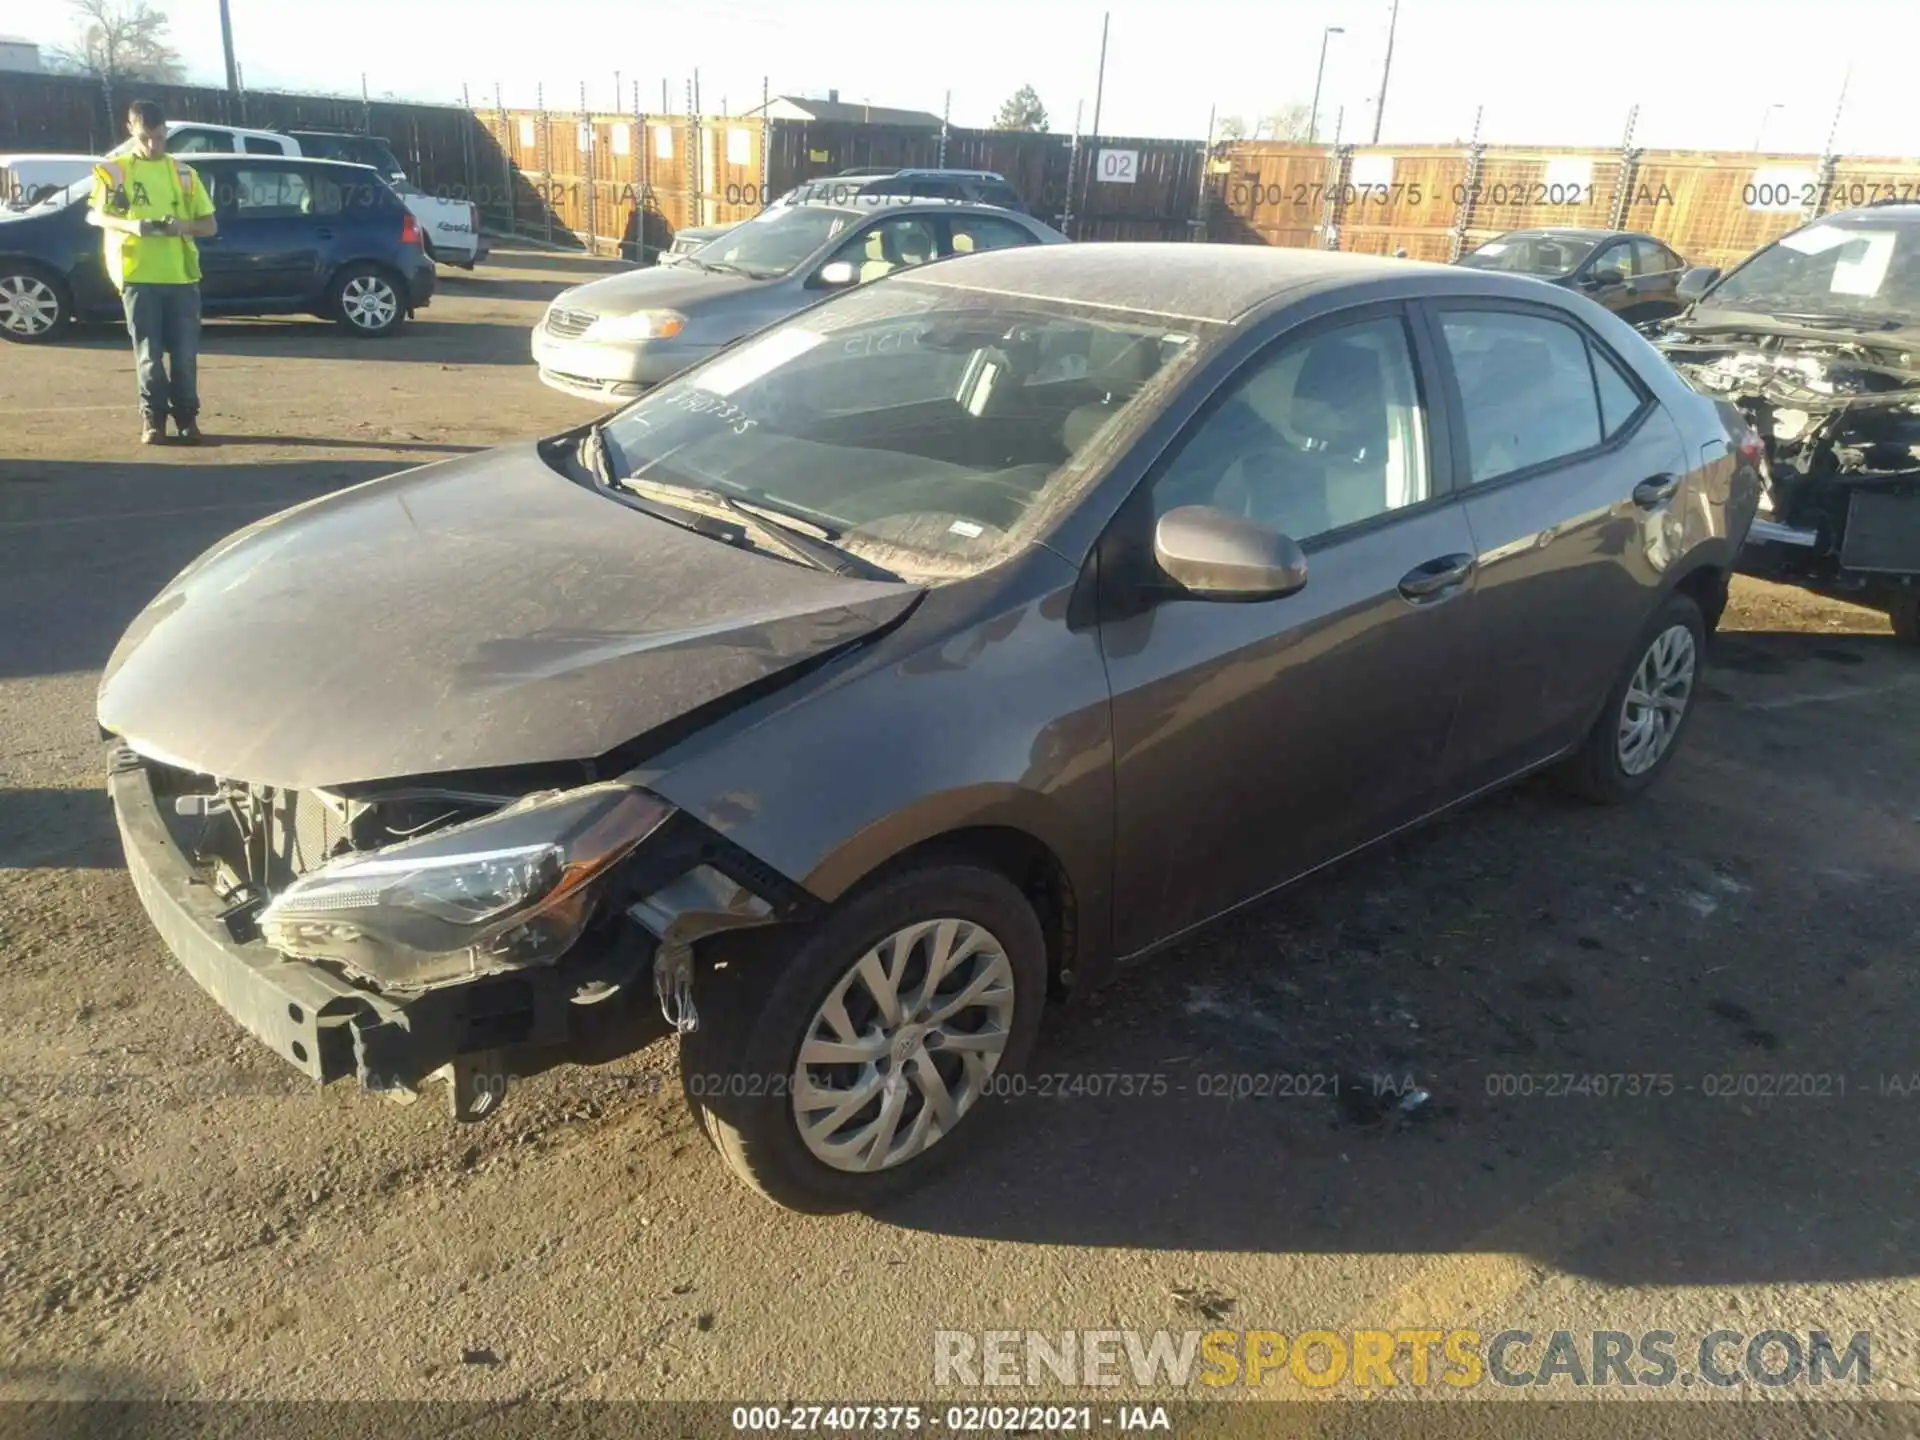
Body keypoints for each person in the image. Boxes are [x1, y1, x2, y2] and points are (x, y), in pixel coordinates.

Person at [87, 101, 218, 444]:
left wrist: (182, 226)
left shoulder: (184, 174)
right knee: (149, 356)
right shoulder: (115, 172)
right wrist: (134, 226)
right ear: (130, 129)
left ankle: (187, 418)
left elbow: (210, 225)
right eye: (145, 138)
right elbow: (97, 216)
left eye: (159, 138)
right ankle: (153, 420)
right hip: (138, 276)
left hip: (182, 278)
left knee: (185, 356)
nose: (153, 146)